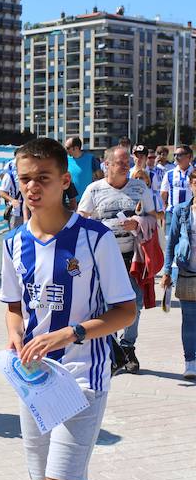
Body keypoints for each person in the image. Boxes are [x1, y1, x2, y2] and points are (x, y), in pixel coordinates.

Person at [1, 138, 136, 480]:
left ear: (64, 180)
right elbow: (13, 306)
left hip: (82, 377)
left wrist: (71, 334)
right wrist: (15, 337)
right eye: (24, 178)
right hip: (33, 380)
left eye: (41, 177)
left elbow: (124, 312)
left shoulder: (95, 238)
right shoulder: (15, 242)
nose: (31, 188)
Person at [78, 147, 156, 374]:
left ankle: (128, 346)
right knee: (105, 305)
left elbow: (153, 217)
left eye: (127, 163)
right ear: (107, 165)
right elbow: (81, 220)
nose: (126, 166)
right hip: (103, 260)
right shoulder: (94, 190)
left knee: (135, 304)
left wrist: (139, 221)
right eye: (121, 163)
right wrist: (98, 228)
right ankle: (111, 349)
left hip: (133, 258)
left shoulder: (140, 187)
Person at [161, 169, 196, 380]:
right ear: (191, 185)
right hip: (187, 273)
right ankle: (190, 362)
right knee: (190, 321)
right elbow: (171, 243)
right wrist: (166, 271)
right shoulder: (182, 211)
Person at [160, 145, 194, 230]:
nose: (176, 157)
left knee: (188, 242)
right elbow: (163, 194)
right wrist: (163, 213)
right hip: (171, 214)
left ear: (189, 156)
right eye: (175, 155)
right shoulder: (169, 174)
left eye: (179, 154)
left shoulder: (194, 173)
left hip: (191, 214)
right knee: (170, 241)